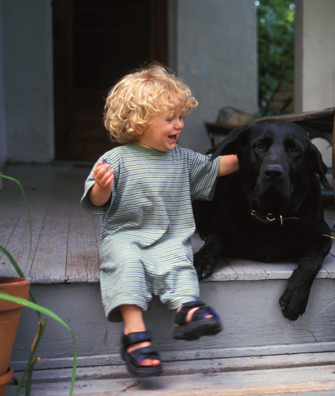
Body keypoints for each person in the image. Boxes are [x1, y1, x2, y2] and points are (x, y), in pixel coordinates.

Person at [81, 63, 239, 377]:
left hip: (169, 236)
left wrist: (252, 153)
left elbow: (214, 167)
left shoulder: (182, 158)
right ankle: (134, 334)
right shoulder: (115, 159)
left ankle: (187, 310)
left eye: (181, 116)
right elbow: (95, 202)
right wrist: (102, 186)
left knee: (179, 260)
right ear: (137, 123)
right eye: (169, 118)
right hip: (125, 235)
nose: (179, 124)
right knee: (125, 263)